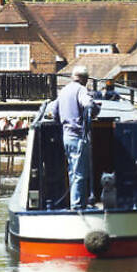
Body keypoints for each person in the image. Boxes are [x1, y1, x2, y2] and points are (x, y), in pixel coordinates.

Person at [54, 65, 101, 209]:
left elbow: (54, 111)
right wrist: (96, 109)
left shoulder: (63, 91)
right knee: (80, 173)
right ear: (85, 79)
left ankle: (77, 202)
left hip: (66, 136)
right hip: (78, 136)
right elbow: (88, 105)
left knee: (72, 171)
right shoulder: (81, 90)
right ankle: (77, 206)